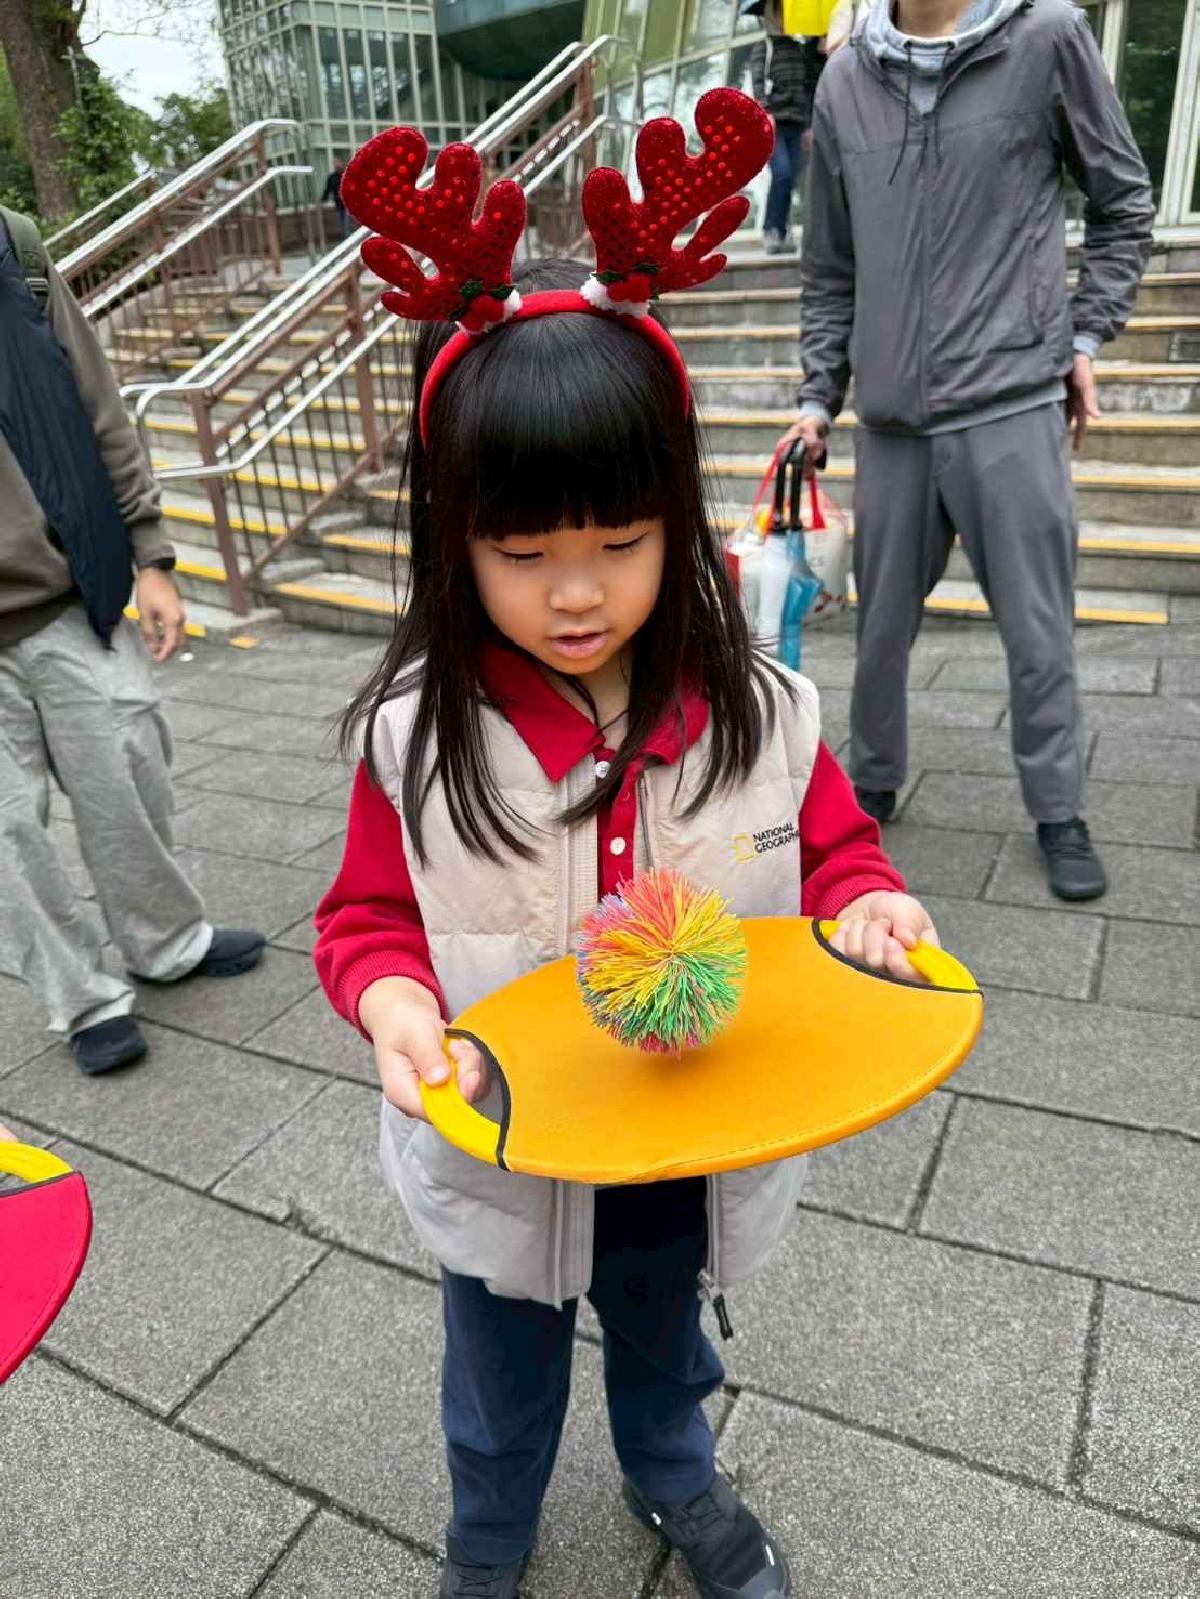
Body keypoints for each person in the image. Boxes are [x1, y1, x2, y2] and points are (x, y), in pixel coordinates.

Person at [314, 256, 942, 1599]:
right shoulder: (418, 742)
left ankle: (674, 1470)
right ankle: (490, 1531)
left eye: (619, 544)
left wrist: (869, 903)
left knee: (669, 1344)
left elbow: (836, 852)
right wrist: (394, 1001)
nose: (577, 593)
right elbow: (367, 916)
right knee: (497, 1371)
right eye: (524, 555)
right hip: (504, 1138)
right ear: (454, 539)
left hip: (685, 1139)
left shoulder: (763, 714)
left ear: (677, 516)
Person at [790, 0, 1155, 901]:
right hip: (890, 421)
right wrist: (817, 397)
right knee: (877, 634)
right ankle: (871, 788)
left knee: (1039, 632)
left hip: (1012, 399)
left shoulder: (1047, 39)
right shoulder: (845, 79)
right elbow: (830, 266)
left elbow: (1123, 203)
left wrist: (1084, 335)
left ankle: (1059, 812)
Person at [0, 207, 265, 1075]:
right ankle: (82, 997)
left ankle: (165, 941)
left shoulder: (12, 247)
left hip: (73, 590)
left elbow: (97, 403)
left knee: (131, 771)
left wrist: (150, 554)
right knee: (8, 835)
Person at [746, 1, 826, 253]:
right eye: (777, 11)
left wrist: (810, 125)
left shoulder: (800, 50)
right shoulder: (764, 48)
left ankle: (782, 232)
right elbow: (758, 85)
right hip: (773, 125)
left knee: (790, 178)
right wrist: (765, 113)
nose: (781, 17)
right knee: (782, 173)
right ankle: (771, 230)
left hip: (798, 125)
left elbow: (810, 88)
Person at [321, 159, 353, 240]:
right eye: (335, 164)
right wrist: (323, 198)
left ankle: (347, 237)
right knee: (342, 220)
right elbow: (328, 189)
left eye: (338, 164)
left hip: (347, 203)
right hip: (339, 203)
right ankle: (346, 236)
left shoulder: (346, 174)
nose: (337, 166)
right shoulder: (332, 177)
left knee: (346, 221)